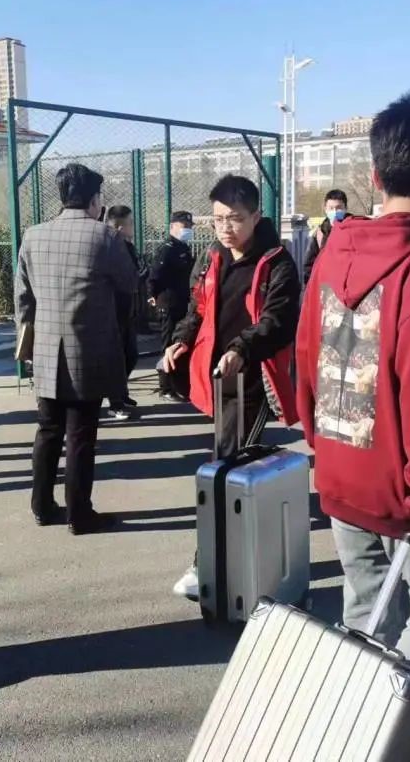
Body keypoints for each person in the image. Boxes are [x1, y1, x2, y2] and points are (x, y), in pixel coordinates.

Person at [296, 92, 410, 680]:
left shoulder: (331, 255)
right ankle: (390, 721)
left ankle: (354, 715)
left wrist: (320, 444)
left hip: (340, 465)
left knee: (366, 609)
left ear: (374, 175)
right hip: (403, 484)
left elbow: (307, 356)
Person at [164, 175, 300, 599]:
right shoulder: (212, 257)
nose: (225, 228)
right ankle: (235, 559)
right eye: (218, 219)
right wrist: (181, 339)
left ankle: (206, 563)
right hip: (218, 378)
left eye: (235, 219)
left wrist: (242, 348)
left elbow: (277, 321)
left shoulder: (277, 262)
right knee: (231, 469)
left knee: (225, 469)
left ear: (256, 216)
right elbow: (197, 308)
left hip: (254, 382)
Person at [15, 163, 136, 535]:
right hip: (89, 349)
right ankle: (80, 514)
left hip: (46, 350)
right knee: (81, 435)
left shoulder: (33, 236)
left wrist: (30, 340)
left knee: (48, 430)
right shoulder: (106, 237)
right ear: (95, 200)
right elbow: (128, 287)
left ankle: (41, 505)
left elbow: (23, 298)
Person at [148, 211, 196, 401]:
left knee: (179, 343)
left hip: (181, 302)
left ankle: (178, 384)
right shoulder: (167, 249)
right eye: (184, 226)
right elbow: (155, 275)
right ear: (172, 227)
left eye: (190, 226)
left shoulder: (183, 247)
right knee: (167, 344)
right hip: (168, 303)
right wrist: (152, 295)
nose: (188, 230)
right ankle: (165, 387)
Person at [105, 205, 146, 419]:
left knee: (130, 354)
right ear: (120, 227)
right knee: (117, 358)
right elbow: (125, 278)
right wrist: (139, 275)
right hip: (113, 310)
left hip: (127, 310)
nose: (133, 227)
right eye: (130, 223)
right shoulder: (110, 247)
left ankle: (121, 392)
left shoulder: (128, 246)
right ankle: (115, 401)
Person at [302, 189, 351, 284]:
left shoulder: (355, 229)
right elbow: (309, 265)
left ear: (346, 208)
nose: (335, 211)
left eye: (339, 208)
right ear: (325, 209)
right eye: (331, 208)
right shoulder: (320, 234)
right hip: (327, 286)